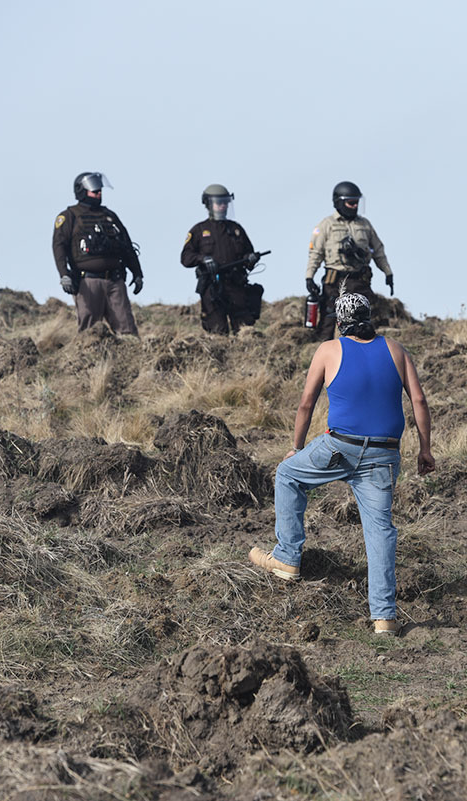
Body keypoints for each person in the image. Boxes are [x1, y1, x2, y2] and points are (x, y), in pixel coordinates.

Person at [248, 292, 435, 635]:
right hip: (384, 453)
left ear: (339, 322)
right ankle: (384, 618)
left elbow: (306, 405)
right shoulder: (396, 350)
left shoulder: (329, 349)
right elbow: (419, 400)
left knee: (288, 473)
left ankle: (287, 558)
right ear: (370, 316)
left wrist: (296, 447)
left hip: (339, 448)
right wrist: (425, 449)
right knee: (380, 531)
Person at [52, 172, 143, 335]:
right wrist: (64, 274)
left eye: (100, 190)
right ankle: (90, 359)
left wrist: (137, 273)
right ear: (82, 191)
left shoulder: (109, 215)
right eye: (95, 191)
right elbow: (58, 247)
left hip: (115, 280)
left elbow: (126, 246)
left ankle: (130, 359)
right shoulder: (69, 216)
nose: (99, 193)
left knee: (127, 329)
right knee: (90, 332)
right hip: (88, 282)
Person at [306, 181, 394, 340]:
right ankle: (323, 356)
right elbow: (315, 253)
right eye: (351, 202)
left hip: (360, 281)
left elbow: (378, 250)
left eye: (357, 202)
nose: (355, 206)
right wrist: (309, 276)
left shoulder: (365, 225)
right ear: (339, 202)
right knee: (328, 320)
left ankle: (365, 355)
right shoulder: (326, 225)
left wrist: (387, 272)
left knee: (365, 322)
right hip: (334, 283)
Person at [180, 183, 265, 334]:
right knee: (217, 332)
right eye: (219, 203)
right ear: (208, 204)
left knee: (245, 330)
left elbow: (247, 253)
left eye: (226, 202)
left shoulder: (236, 229)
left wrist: (250, 259)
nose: (223, 206)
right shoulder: (199, 230)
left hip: (237, 286)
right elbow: (186, 258)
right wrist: (202, 259)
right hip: (213, 289)